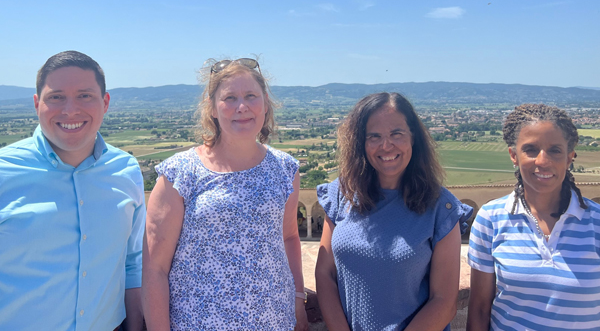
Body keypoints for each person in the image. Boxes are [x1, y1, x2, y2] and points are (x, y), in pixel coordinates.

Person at [142, 58, 309, 330]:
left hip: (274, 322)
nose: (241, 107)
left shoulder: (285, 169)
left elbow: (289, 237)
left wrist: (298, 298)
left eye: (251, 96)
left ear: (265, 104)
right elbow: (154, 270)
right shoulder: (180, 173)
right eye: (229, 98)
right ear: (213, 108)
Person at [0, 51, 145, 330]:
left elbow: (132, 264)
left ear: (105, 103)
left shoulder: (126, 169)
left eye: (84, 95)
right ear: (36, 103)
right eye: (56, 97)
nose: (70, 110)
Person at [315, 92, 472, 330]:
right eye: (374, 136)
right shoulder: (341, 193)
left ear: (413, 138)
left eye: (396, 134)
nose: (386, 145)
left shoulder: (441, 207)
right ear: (361, 143)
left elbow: (444, 302)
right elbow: (325, 274)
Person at [467, 104, 600, 330]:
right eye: (530, 149)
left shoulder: (596, 223)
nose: (542, 161)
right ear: (513, 156)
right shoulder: (491, 219)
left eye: (555, 150)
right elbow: (479, 308)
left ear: (570, 157)